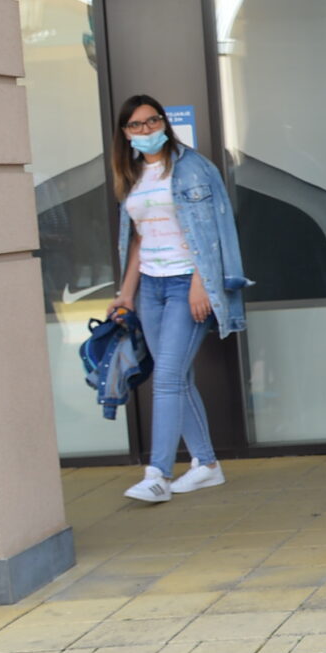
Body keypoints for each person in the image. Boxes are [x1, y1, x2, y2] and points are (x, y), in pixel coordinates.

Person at [109, 94, 246, 505]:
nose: (147, 130)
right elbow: (138, 240)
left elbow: (215, 232)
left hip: (187, 283)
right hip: (150, 288)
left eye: (153, 121)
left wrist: (202, 283)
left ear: (165, 123)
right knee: (177, 378)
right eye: (137, 125)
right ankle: (207, 465)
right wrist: (126, 294)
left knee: (167, 378)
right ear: (125, 133)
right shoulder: (132, 174)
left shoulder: (194, 168)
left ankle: (158, 474)